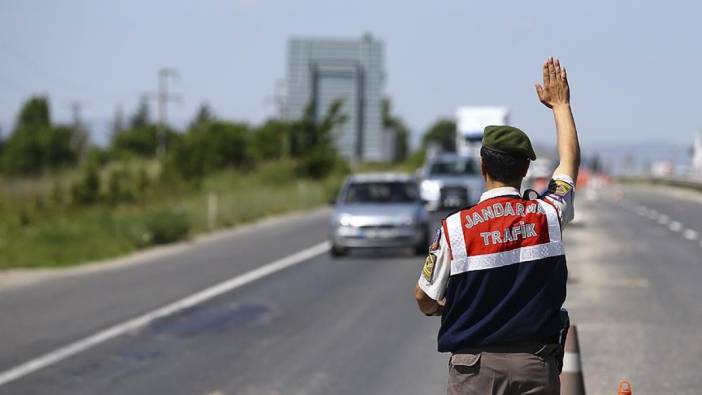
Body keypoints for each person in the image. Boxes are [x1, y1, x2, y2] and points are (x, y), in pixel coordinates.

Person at [414, 57, 580, 395]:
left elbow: (424, 297)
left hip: (473, 372)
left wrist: (444, 308)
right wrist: (560, 105)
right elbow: (569, 165)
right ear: (525, 170)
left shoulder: (455, 229)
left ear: (482, 165)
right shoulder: (547, 215)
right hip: (535, 366)